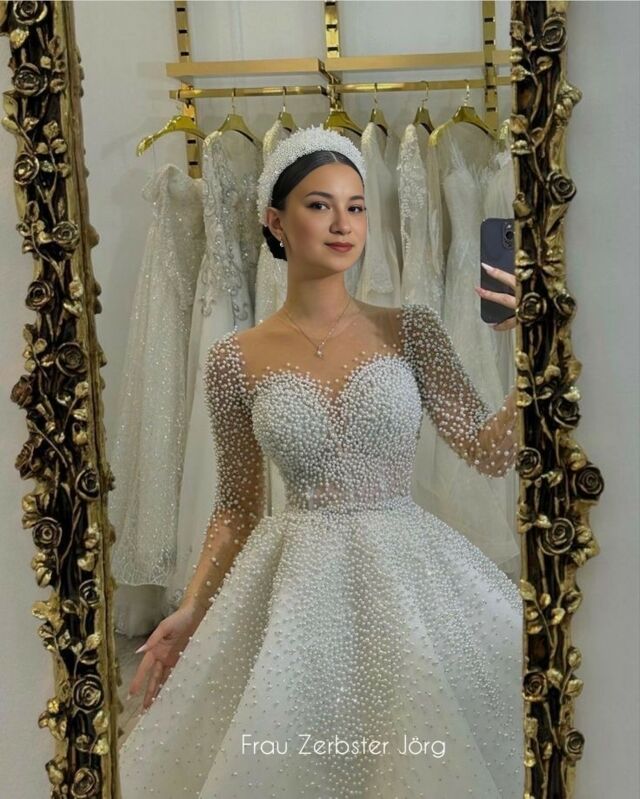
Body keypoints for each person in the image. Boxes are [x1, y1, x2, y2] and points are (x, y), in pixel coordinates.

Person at [119, 125, 523, 799]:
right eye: (319, 204)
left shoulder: (411, 330)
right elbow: (237, 506)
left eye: (356, 206)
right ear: (275, 220)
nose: (343, 223)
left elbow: (490, 450)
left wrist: (536, 355)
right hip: (294, 587)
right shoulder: (235, 358)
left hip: (407, 572)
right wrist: (190, 610)